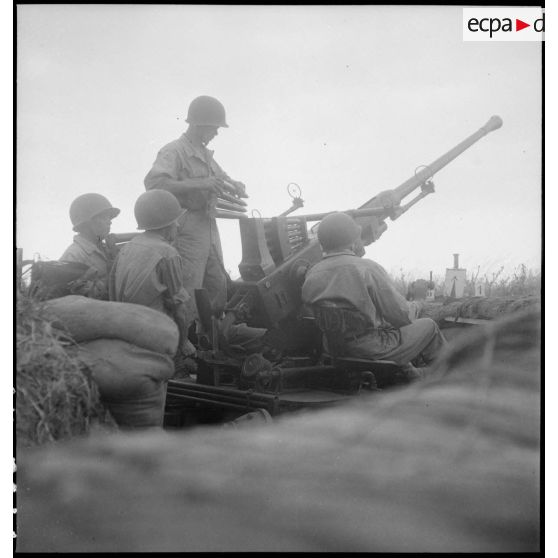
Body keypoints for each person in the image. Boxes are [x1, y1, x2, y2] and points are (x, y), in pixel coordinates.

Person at [144, 95, 266, 354]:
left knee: (216, 286)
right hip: (186, 227)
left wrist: (235, 185)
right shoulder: (173, 151)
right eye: (214, 128)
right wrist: (200, 184)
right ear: (200, 125)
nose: (216, 134)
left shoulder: (204, 155)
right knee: (188, 289)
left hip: (208, 227)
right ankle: (178, 351)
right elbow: (155, 184)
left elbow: (220, 178)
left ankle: (210, 344)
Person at [301, 212, 446, 376]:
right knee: (429, 325)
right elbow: (401, 315)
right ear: (353, 240)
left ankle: (411, 372)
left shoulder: (312, 273)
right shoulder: (366, 268)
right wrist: (418, 304)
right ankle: (442, 377)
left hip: (334, 350)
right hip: (372, 350)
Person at [109, 189, 195, 358]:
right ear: (166, 225)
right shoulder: (167, 253)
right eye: (175, 221)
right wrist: (185, 342)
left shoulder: (128, 247)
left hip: (125, 333)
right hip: (154, 337)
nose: (177, 226)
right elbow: (179, 308)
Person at [60, 193, 120, 299]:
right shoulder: (74, 255)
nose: (109, 222)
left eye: (109, 217)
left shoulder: (105, 249)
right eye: (104, 217)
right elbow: (73, 300)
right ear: (88, 223)